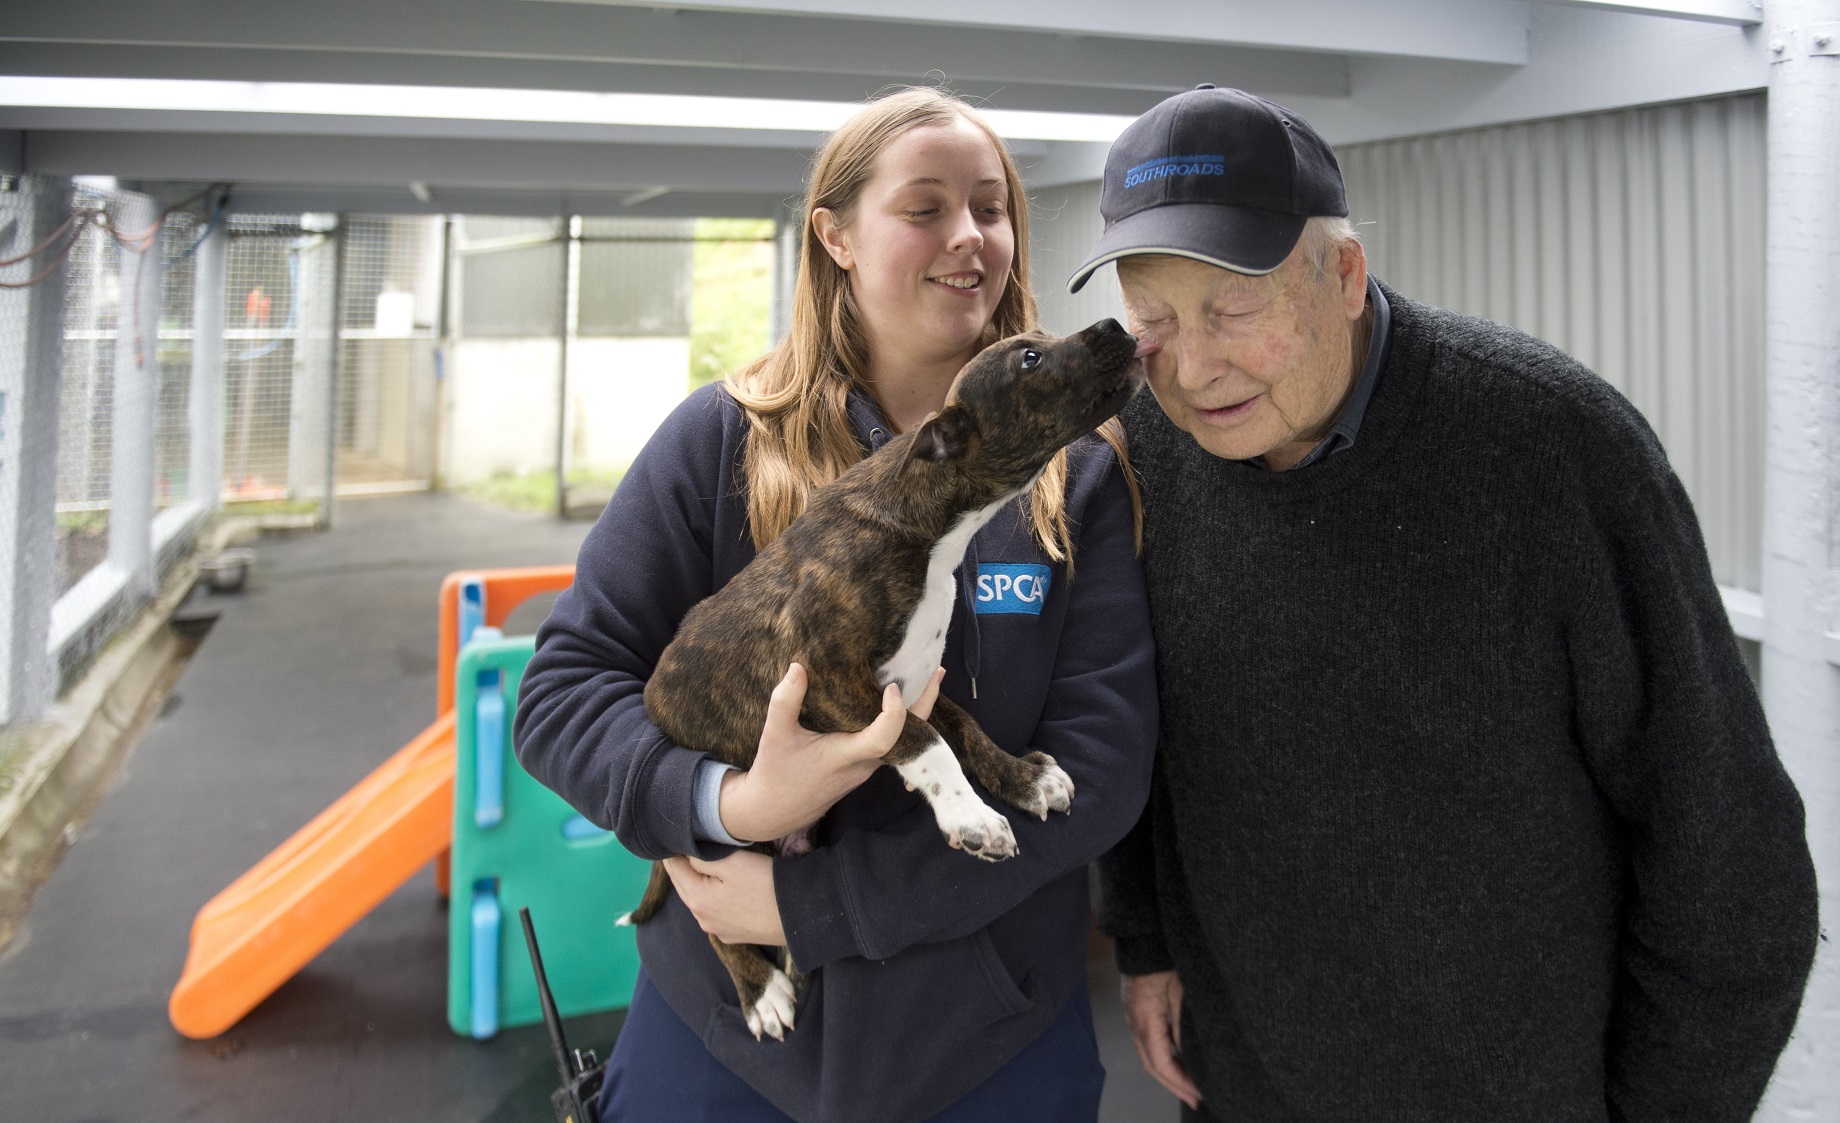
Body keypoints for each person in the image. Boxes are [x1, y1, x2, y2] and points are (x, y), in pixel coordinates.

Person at [1078, 85, 1820, 1122]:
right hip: (1246, 1077)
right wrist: (1145, 938)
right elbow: (1136, 729)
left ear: (1342, 274)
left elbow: (1727, 853)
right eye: (1151, 317)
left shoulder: (1555, 450)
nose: (1192, 367)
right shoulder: (1138, 452)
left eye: (1233, 311)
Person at [513, 87, 1156, 1123]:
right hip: (723, 1041)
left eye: (991, 209)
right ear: (836, 237)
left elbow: (1105, 770)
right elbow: (559, 699)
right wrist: (730, 807)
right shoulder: (718, 444)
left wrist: (813, 904)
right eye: (924, 208)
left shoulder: (1075, 479)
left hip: (985, 1042)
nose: (969, 238)